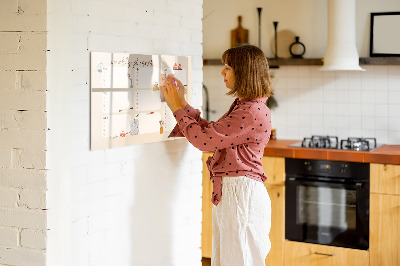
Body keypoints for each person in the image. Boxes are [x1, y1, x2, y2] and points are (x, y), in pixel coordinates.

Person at [161, 44, 273, 266]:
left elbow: (204, 141)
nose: (222, 72)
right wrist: (182, 103)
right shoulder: (246, 106)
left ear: (244, 72)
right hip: (236, 193)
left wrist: (176, 108)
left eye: (228, 67)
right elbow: (212, 133)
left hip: (241, 195)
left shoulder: (250, 111)